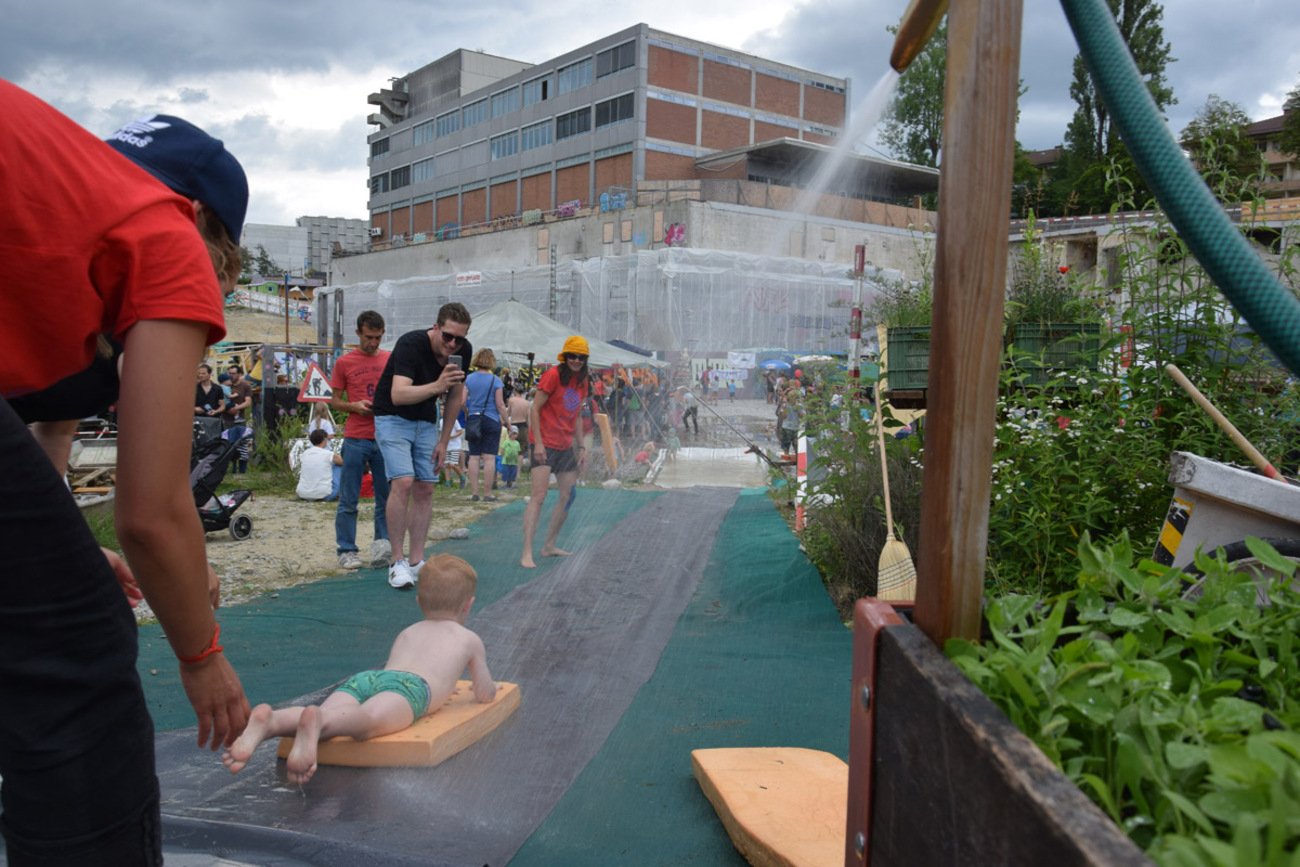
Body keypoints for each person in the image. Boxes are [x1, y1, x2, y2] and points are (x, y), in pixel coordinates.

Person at [0, 84, 252, 863]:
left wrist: (70, 551)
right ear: (212, 228)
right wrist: (201, 654)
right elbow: (151, 511)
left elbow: (47, 433)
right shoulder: (163, 233)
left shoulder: (64, 207)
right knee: (77, 652)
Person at [221, 554, 498, 785]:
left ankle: (272, 721)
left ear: (418, 602)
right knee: (366, 722)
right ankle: (316, 722)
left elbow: (393, 669)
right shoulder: (468, 639)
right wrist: (489, 689)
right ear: (468, 605)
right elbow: (484, 693)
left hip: (369, 679)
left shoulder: (408, 631)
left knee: (334, 711)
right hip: (410, 689)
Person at [372, 302, 472, 590]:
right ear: (436, 327)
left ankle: (416, 561)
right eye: (448, 336)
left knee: (426, 486)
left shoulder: (461, 351)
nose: (453, 344)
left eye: (460, 338)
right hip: (392, 416)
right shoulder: (411, 343)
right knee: (403, 481)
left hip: (427, 421)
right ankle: (396, 561)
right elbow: (399, 394)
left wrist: (444, 440)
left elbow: (455, 397)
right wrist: (437, 385)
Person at [330, 310, 393, 571]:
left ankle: (382, 544)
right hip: (356, 435)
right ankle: (346, 549)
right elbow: (333, 400)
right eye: (369, 337)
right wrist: (354, 406)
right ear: (358, 333)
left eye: (378, 338)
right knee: (349, 497)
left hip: (383, 436)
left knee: (386, 496)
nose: (374, 343)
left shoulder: (390, 359)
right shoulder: (344, 363)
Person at [521, 336, 590, 569]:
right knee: (538, 497)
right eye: (572, 356)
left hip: (564, 444)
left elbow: (578, 415)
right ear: (565, 356)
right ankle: (527, 551)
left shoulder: (583, 381)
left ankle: (549, 545)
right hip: (544, 442)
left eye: (581, 357)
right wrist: (538, 444)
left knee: (568, 495)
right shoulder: (553, 376)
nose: (577, 361)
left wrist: (581, 447)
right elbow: (534, 408)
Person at [463, 349, 508, 502]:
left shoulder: (468, 379)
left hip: (474, 419)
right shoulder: (495, 380)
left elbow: (462, 401)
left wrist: (468, 411)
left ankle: (474, 493)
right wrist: (507, 422)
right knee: (489, 458)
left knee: (474, 457)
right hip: (491, 419)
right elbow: (500, 404)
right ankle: (487, 493)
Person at [295, 428, 343, 501]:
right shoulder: (328, 454)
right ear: (324, 440)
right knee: (337, 466)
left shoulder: (305, 453)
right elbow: (343, 462)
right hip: (324, 495)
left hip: (303, 494)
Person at [222, 363, 254, 472]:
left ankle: (242, 470)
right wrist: (226, 409)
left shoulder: (245, 386)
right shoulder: (224, 384)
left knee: (242, 444)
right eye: (229, 373)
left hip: (240, 419)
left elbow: (248, 402)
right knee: (227, 443)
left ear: (239, 374)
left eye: (233, 373)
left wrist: (236, 409)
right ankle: (227, 469)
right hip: (226, 419)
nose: (231, 375)